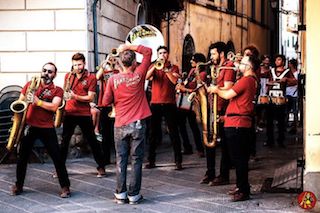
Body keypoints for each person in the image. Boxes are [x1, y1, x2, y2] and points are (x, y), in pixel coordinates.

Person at [11, 62, 71, 198]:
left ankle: (65, 186)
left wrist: (37, 101)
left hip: (46, 127)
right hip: (29, 126)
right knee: (22, 157)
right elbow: (20, 101)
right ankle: (18, 185)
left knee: (57, 157)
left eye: (50, 72)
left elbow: (54, 106)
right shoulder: (31, 85)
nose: (46, 74)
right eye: (44, 70)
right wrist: (26, 101)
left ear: (55, 74)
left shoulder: (57, 90)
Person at [102, 44, 152, 204]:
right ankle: (134, 195)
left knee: (120, 159)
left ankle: (120, 194)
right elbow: (148, 52)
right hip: (137, 123)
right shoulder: (139, 74)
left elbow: (105, 101)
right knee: (137, 159)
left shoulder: (112, 79)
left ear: (120, 63)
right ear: (134, 63)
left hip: (120, 123)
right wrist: (129, 46)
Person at [207, 55, 259, 202]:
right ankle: (241, 186)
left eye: (242, 63)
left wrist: (216, 90)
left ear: (248, 67)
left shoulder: (246, 80)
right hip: (236, 121)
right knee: (238, 159)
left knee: (239, 159)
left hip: (238, 124)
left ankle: (243, 190)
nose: (238, 65)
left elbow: (228, 94)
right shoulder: (250, 80)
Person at [61, 53, 106, 177]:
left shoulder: (91, 78)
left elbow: (90, 97)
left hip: (83, 113)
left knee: (92, 141)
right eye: (74, 64)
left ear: (84, 64)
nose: (77, 67)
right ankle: (59, 169)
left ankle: (101, 167)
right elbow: (65, 93)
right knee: (64, 142)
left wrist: (75, 96)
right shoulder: (68, 76)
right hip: (69, 112)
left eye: (79, 64)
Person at [200, 42, 236, 186]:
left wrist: (215, 88)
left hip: (223, 108)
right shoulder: (215, 68)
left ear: (221, 54)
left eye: (213, 54)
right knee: (209, 140)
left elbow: (228, 87)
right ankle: (210, 172)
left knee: (225, 144)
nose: (211, 57)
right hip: (211, 106)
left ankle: (223, 174)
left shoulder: (228, 66)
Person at [145, 46, 183, 170]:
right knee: (153, 133)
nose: (162, 55)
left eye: (164, 52)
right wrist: (155, 66)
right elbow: (146, 77)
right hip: (155, 103)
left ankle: (178, 161)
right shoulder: (154, 66)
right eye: (160, 53)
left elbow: (174, 81)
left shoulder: (174, 67)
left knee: (174, 132)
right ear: (158, 54)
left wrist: (167, 70)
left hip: (169, 103)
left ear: (168, 54)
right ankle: (151, 160)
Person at [175, 53, 206, 157]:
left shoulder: (202, 74)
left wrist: (184, 89)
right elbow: (188, 83)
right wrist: (182, 84)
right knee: (181, 125)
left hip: (194, 102)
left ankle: (200, 149)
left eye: (193, 60)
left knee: (194, 126)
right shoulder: (192, 71)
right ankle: (187, 147)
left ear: (198, 62)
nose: (191, 61)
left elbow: (198, 90)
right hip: (185, 101)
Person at [264, 54, 297, 148]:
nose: (276, 62)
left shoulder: (287, 72)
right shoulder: (271, 71)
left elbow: (294, 81)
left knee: (281, 121)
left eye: (279, 60)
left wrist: (287, 80)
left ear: (283, 61)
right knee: (269, 121)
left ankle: (280, 141)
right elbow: (265, 79)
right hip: (271, 98)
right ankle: (270, 140)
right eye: (276, 60)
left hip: (281, 98)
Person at [96, 54, 119, 165]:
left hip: (117, 105)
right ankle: (106, 158)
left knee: (118, 134)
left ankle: (120, 157)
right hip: (105, 105)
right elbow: (97, 76)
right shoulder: (104, 70)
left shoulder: (119, 71)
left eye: (114, 58)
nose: (112, 60)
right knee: (105, 134)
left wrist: (118, 64)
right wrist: (105, 63)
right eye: (110, 58)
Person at [286, 58, 299, 133]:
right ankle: (286, 124)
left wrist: (289, 81)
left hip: (294, 93)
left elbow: (296, 82)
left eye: (289, 63)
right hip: (288, 93)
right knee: (287, 110)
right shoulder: (288, 72)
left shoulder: (297, 73)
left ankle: (295, 125)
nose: (288, 65)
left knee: (294, 111)